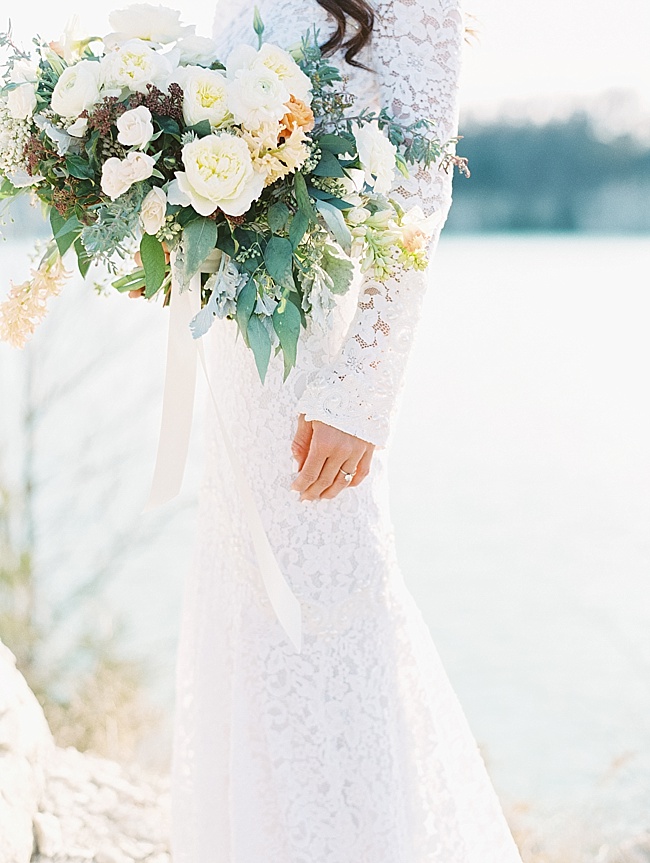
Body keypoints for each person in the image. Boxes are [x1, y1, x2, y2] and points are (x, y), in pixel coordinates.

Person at [169, 0, 525, 860]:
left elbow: (417, 191)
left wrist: (363, 391)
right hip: (242, 350)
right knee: (247, 609)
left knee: (334, 609)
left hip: (322, 364)